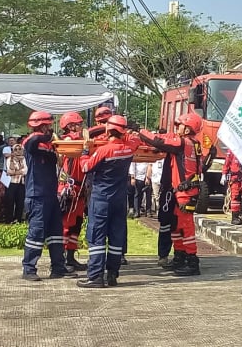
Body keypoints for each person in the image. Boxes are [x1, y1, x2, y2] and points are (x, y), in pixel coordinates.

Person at [138, 113, 204, 276]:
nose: (177, 128)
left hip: (186, 192)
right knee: (176, 226)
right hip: (182, 191)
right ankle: (180, 257)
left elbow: (159, 141)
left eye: (179, 125)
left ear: (187, 128)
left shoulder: (183, 143)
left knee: (186, 228)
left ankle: (192, 261)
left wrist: (141, 131)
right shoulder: (192, 143)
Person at [77, 115, 134, 288]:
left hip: (101, 198)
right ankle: (112, 275)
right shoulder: (129, 148)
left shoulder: (104, 150)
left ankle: (95, 277)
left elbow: (85, 167)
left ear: (108, 130)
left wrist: (86, 151)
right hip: (119, 199)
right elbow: (136, 140)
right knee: (116, 237)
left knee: (97, 237)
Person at [21, 111, 77, 281]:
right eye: (49, 125)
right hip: (37, 195)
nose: (51, 127)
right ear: (42, 125)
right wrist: (47, 137)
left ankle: (58, 267)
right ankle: (29, 269)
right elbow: (31, 143)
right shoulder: (32, 141)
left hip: (51, 195)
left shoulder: (51, 144)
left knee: (56, 233)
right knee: (36, 233)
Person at [57, 111, 89, 270]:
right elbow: (70, 144)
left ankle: (70, 257)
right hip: (69, 188)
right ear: (70, 126)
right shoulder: (67, 141)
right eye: (79, 124)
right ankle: (61, 260)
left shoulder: (82, 140)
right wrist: (85, 138)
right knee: (66, 225)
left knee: (76, 224)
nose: (81, 127)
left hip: (80, 188)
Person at [221, 149, 242, 225]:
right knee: (235, 197)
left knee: (239, 197)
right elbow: (227, 163)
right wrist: (224, 174)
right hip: (235, 178)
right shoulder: (232, 150)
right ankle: (234, 218)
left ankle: (237, 216)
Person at [4, 143, 27, 223]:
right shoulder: (9, 159)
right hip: (11, 183)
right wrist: (19, 172)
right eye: (15, 149)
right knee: (10, 202)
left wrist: (15, 172)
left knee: (20, 203)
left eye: (19, 149)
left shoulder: (24, 159)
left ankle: (18, 220)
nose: (18, 151)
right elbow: (9, 171)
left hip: (21, 183)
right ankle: (8, 221)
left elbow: (25, 171)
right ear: (13, 151)